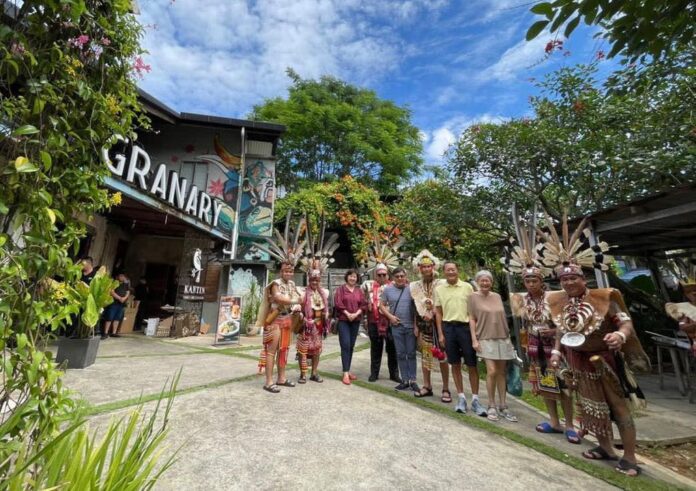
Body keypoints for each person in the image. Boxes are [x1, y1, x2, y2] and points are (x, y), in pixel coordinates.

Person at [541, 215, 649, 477]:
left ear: (583, 279)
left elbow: (625, 321)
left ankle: (630, 457)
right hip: (577, 360)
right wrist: (556, 351)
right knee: (591, 406)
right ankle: (606, 448)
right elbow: (562, 329)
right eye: (564, 280)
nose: (568, 283)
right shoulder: (560, 302)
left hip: (605, 361)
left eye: (573, 279)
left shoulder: (603, 298)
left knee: (617, 406)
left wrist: (620, 335)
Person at [503, 207, 579, 440]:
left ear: (541, 280)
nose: (530, 284)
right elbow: (523, 323)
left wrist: (554, 331)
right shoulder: (522, 300)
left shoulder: (555, 297)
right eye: (527, 281)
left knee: (564, 385)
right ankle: (553, 421)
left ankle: (569, 424)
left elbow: (567, 323)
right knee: (546, 385)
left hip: (556, 346)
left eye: (534, 280)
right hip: (535, 347)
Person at [253, 213, 305, 393]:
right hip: (274, 320)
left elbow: (300, 298)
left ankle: (281, 378)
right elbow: (278, 298)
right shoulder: (275, 283)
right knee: (271, 351)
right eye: (285, 270)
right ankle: (269, 381)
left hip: (287, 320)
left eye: (291, 270)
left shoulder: (292, 284)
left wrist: (297, 303)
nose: (288, 273)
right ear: (281, 271)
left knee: (284, 349)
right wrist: (295, 300)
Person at [434, 261, 486, 415]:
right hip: (449, 328)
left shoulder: (467, 287)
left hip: (465, 328)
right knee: (454, 363)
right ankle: (461, 397)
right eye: (448, 270)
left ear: (458, 270)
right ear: (444, 272)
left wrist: (475, 333)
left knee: (471, 364)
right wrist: (441, 334)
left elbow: (473, 311)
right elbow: (438, 312)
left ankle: (475, 399)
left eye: (453, 269)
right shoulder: (439, 289)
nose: (451, 272)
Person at [468, 270, 517, 422]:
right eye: (482, 280)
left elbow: (502, 316)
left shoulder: (497, 296)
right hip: (485, 337)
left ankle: (503, 405)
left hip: (502, 337)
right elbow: (472, 318)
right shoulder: (472, 297)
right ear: (477, 282)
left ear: (491, 282)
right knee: (492, 371)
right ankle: (491, 404)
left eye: (487, 280)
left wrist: (509, 339)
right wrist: (474, 340)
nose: (485, 283)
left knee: (502, 372)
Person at [410, 250, 450, 401]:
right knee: (425, 356)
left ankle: (446, 388)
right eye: (423, 267)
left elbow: (445, 303)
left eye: (428, 266)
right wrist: (415, 326)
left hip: (440, 326)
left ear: (433, 267)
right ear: (419, 268)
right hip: (423, 325)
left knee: (442, 357)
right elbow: (415, 307)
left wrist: (433, 313)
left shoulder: (442, 283)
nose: (426, 269)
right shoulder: (415, 286)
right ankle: (427, 386)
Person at [380, 267, 418, 392]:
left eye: (402, 276)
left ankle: (413, 380)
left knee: (411, 353)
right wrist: (390, 317)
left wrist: (416, 325)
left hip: (410, 326)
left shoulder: (412, 289)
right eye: (397, 276)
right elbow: (381, 305)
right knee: (401, 354)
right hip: (396, 326)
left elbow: (417, 308)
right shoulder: (388, 289)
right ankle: (405, 380)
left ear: (406, 276)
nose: (400, 278)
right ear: (393, 278)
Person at [362, 265, 399, 383]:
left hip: (390, 322)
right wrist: (366, 310)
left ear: (388, 275)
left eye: (384, 274)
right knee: (376, 348)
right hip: (374, 321)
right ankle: (374, 373)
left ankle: (394, 374)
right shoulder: (368, 286)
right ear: (375, 275)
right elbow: (363, 301)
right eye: (379, 275)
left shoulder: (394, 286)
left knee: (392, 348)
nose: (382, 277)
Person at [334, 269, 367, 385]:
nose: (352, 278)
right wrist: (348, 314)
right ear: (347, 277)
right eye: (350, 276)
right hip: (344, 320)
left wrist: (356, 314)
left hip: (355, 321)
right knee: (345, 345)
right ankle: (345, 373)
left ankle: (347, 370)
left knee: (351, 346)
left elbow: (363, 305)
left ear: (357, 278)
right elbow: (338, 304)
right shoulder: (340, 290)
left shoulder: (359, 291)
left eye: (354, 277)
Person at [296, 269, 329, 383]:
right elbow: (298, 309)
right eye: (312, 280)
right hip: (306, 325)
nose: (315, 282)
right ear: (309, 280)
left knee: (317, 350)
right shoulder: (303, 292)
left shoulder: (324, 293)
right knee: (303, 350)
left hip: (319, 325)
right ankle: (303, 374)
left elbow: (325, 309)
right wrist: (302, 317)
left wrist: (326, 314)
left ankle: (314, 373)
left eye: (317, 280)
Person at [665, 267, 696, 356]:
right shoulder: (682, 308)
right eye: (690, 291)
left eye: (695, 290)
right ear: (686, 294)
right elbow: (683, 327)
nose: (694, 293)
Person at [101, 272, 130, 339]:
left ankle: (114, 332)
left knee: (117, 318)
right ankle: (105, 333)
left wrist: (124, 298)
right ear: (117, 276)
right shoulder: (114, 283)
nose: (122, 277)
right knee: (109, 317)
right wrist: (119, 298)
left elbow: (128, 292)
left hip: (121, 304)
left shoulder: (125, 285)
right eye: (121, 276)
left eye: (123, 276)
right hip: (113, 303)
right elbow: (111, 291)